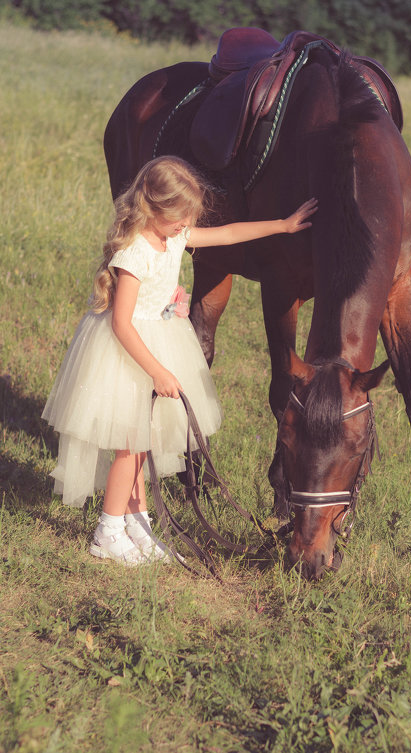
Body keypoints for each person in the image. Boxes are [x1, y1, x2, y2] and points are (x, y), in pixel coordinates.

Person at [42, 155, 317, 565]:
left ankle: (136, 520)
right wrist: (156, 370)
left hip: (159, 337)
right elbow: (121, 322)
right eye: (178, 219)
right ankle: (108, 531)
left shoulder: (172, 236)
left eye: (188, 220)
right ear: (154, 208)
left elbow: (226, 235)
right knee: (130, 445)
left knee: (146, 440)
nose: (183, 227)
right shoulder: (134, 252)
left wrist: (281, 225)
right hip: (129, 352)